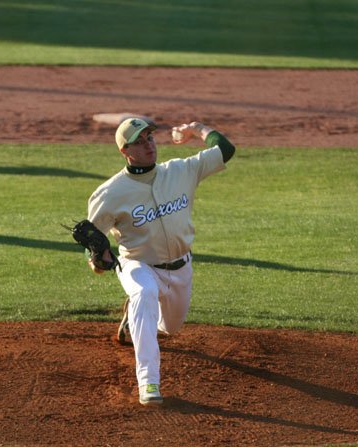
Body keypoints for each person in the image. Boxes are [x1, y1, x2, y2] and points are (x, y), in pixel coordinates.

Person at [85, 117, 235, 406]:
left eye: (150, 138)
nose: (148, 145)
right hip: (137, 265)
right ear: (124, 151)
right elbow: (93, 239)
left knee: (171, 327)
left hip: (181, 267)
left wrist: (197, 129)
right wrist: (96, 259)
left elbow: (225, 149)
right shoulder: (109, 193)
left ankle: (133, 319)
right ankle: (148, 381)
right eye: (139, 142)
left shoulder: (180, 171)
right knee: (144, 292)